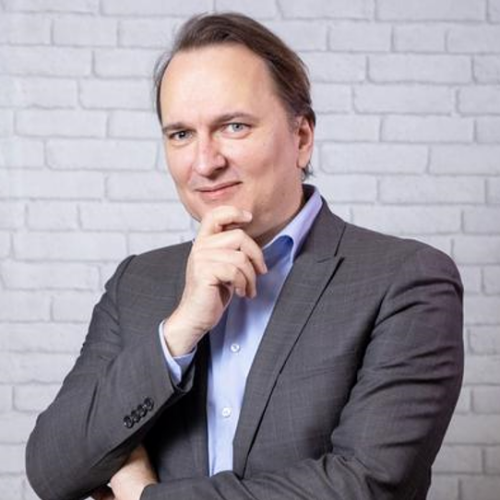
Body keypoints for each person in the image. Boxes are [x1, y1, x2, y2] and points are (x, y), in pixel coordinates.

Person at [25, 13, 464, 500]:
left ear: (301, 138)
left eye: (233, 126)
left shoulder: (406, 281)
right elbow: (53, 471)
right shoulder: (136, 282)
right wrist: (179, 332)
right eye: (181, 134)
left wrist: (146, 496)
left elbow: (367, 485)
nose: (205, 162)